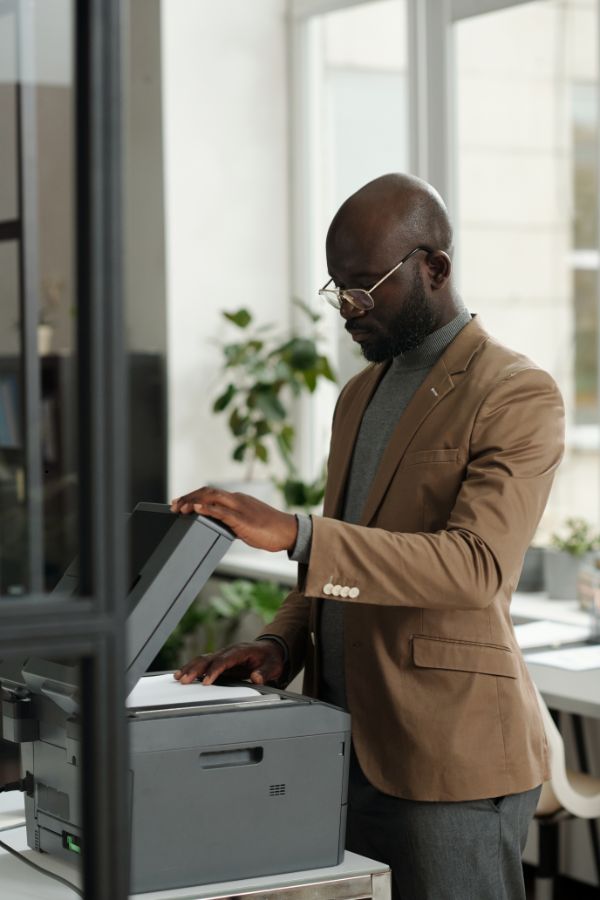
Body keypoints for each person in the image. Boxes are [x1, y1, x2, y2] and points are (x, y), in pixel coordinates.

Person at [170, 173, 565, 900]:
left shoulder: (514, 391)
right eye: (336, 290)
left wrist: (295, 531)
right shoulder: (359, 393)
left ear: (434, 268)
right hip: (343, 744)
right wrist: (282, 642)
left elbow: (474, 568)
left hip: (446, 759)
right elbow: (345, 555)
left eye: (362, 286)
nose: (346, 310)